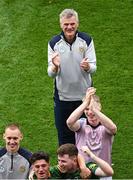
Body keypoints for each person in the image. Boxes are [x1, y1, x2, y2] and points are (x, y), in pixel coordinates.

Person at [47, 8, 97, 145]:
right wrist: (56, 66)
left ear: (77, 23)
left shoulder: (86, 40)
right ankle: (66, 165)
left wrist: (88, 67)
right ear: (61, 25)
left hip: (84, 99)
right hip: (63, 99)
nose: (69, 27)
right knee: (64, 137)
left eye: (72, 24)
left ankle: (86, 165)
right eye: (66, 24)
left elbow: (93, 68)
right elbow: (50, 73)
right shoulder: (53, 43)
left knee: (87, 135)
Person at [67, 87, 117, 165]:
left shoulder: (105, 125)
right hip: (84, 170)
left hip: (103, 170)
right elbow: (69, 122)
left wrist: (94, 110)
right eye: (87, 109)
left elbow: (113, 129)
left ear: (100, 107)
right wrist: (85, 103)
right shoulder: (81, 124)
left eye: (93, 108)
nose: (90, 112)